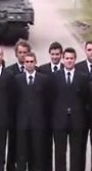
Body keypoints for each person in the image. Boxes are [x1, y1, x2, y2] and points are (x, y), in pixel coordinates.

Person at [51, 47, 90, 171]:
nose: (69, 61)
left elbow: (85, 98)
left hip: (77, 121)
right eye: (67, 58)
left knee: (76, 152)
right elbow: (52, 98)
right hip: (60, 121)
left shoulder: (83, 77)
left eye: (71, 58)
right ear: (63, 59)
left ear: (75, 60)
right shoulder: (55, 76)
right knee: (60, 152)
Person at [13, 52, 50, 171]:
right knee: (22, 154)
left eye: (31, 62)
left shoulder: (43, 79)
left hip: (38, 123)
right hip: (22, 123)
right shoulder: (17, 80)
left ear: (35, 63)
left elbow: (47, 100)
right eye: (27, 62)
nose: (29, 64)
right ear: (23, 64)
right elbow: (14, 101)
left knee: (37, 154)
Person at [36, 41, 64, 171]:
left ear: (61, 55)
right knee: (45, 147)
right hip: (45, 114)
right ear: (49, 54)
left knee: (60, 148)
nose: (55, 57)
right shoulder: (42, 69)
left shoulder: (66, 68)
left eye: (57, 54)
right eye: (53, 54)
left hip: (60, 114)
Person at [5, 39, 32, 171]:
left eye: (25, 52)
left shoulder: (35, 72)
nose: (22, 55)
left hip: (30, 117)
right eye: (20, 52)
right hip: (14, 116)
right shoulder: (9, 71)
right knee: (13, 146)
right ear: (16, 54)